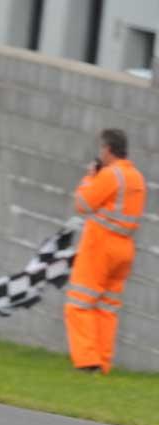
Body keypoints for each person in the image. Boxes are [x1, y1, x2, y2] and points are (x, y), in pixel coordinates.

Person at [65, 129, 146, 374]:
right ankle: (103, 363)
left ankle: (87, 361)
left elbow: (82, 204)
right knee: (107, 307)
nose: (100, 153)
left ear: (108, 149)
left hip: (100, 245)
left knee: (78, 304)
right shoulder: (136, 177)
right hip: (124, 248)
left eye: (101, 148)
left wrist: (90, 177)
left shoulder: (110, 174)